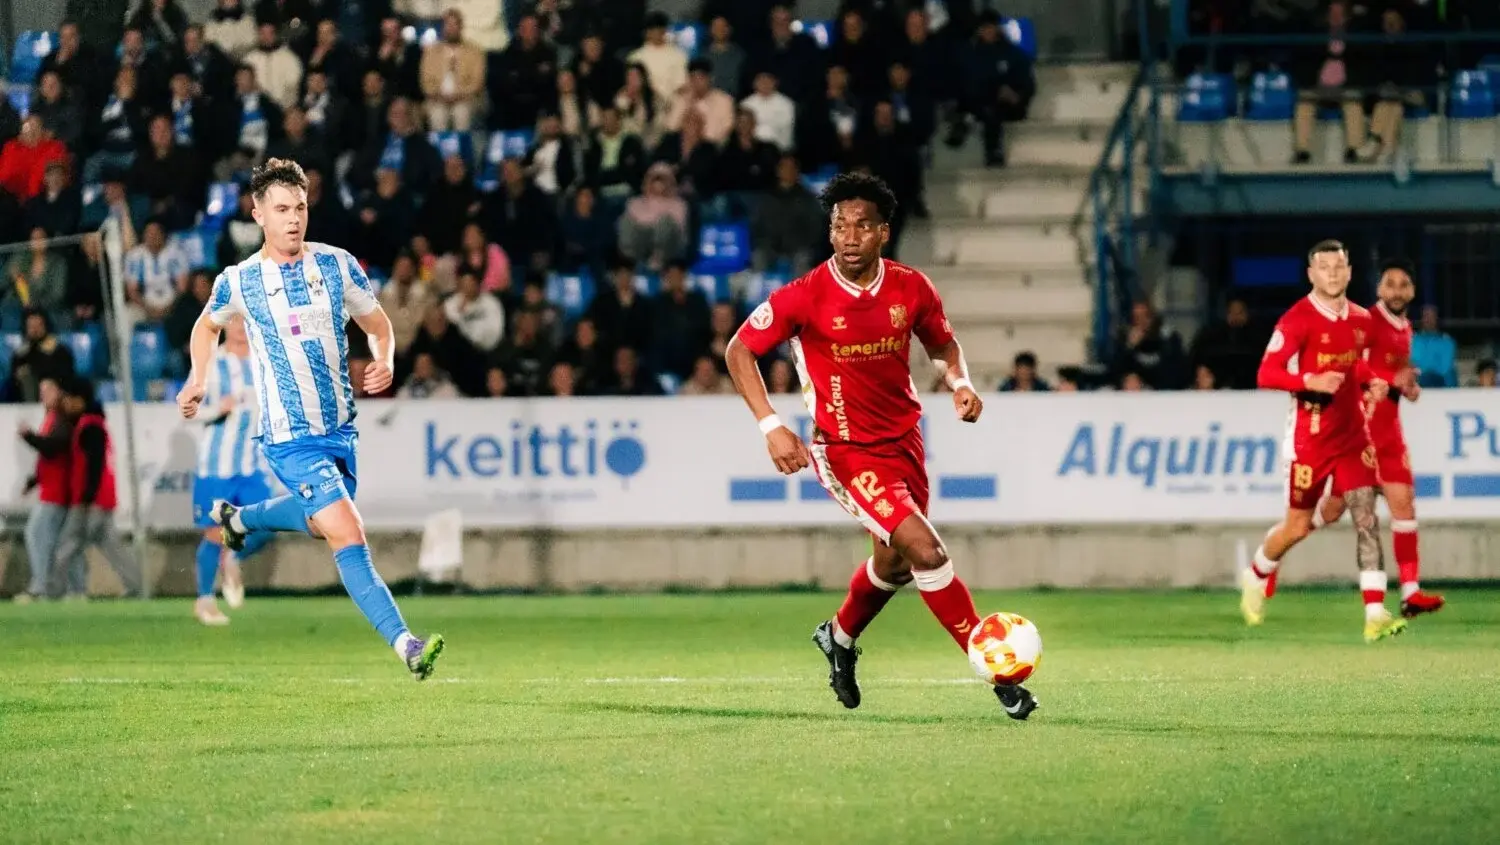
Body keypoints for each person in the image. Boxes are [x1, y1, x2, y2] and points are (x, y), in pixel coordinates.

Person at [724, 173, 1037, 721]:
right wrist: (770, 425)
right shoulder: (804, 296)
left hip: (905, 443)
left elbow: (942, 342)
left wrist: (960, 382)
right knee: (927, 551)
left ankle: (838, 637)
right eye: (839, 225)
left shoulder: (911, 288)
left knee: (891, 566)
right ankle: (998, 673)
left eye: (860, 225)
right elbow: (738, 350)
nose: (848, 236)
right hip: (844, 451)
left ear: (883, 233)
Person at [175, 158, 444, 680]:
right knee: (348, 532)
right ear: (258, 215)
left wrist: (384, 359)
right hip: (289, 438)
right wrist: (197, 379)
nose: (293, 219)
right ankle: (406, 644)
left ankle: (241, 519)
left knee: (324, 526)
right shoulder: (242, 280)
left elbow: (377, 323)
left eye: (299, 207)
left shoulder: (337, 265)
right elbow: (205, 328)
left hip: (340, 431)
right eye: (281, 210)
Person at [1240, 240, 1403, 643]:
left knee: (1366, 516)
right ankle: (1259, 571)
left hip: (1353, 437)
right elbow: (1266, 373)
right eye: (1323, 266)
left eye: (1339, 265)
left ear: (1349, 272)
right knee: (1297, 528)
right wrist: (1307, 381)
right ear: (1311, 274)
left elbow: (1355, 363)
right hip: (1309, 442)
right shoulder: (1297, 319)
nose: (1332, 272)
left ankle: (1375, 612)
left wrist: (1372, 381)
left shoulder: (1363, 319)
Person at [1289, 259, 1445, 618]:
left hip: (1389, 432)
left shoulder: (1405, 328)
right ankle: (1283, 545)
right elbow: (1349, 365)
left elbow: (1390, 374)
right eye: (1390, 284)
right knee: (1331, 510)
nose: (1397, 291)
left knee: (1404, 504)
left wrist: (1408, 388)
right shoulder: (1366, 321)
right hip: (1360, 431)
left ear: (1413, 293)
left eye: (1404, 285)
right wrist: (1393, 380)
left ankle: (1410, 594)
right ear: (1378, 290)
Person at [189, 314, 276, 626]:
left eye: (246, 320)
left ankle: (233, 555)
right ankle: (204, 601)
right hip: (216, 466)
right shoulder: (211, 362)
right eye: (235, 320)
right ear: (224, 325)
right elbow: (188, 407)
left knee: (268, 521)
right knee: (214, 534)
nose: (241, 326)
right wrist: (216, 409)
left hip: (251, 464)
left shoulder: (264, 361)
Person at [52, 377, 142, 598]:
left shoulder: (89, 427)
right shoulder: (95, 423)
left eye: (69, 399)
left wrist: (87, 497)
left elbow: (95, 465)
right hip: (101, 500)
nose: (66, 404)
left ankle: (53, 591)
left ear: (79, 400)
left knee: (67, 545)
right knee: (112, 548)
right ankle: (138, 587)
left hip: (90, 501)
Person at [15, 377, 72, 603]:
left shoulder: (62, 420)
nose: (44, 395)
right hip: (50, 489)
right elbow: (47, 456)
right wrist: (33, 481)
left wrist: (28, 436)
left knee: (36, 534)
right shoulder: (51, 419)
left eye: (48, 390)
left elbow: (53, 448)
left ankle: (41, 586)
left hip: (56, 492)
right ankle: (58, 587)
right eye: (42, 391)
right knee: (55, 540)